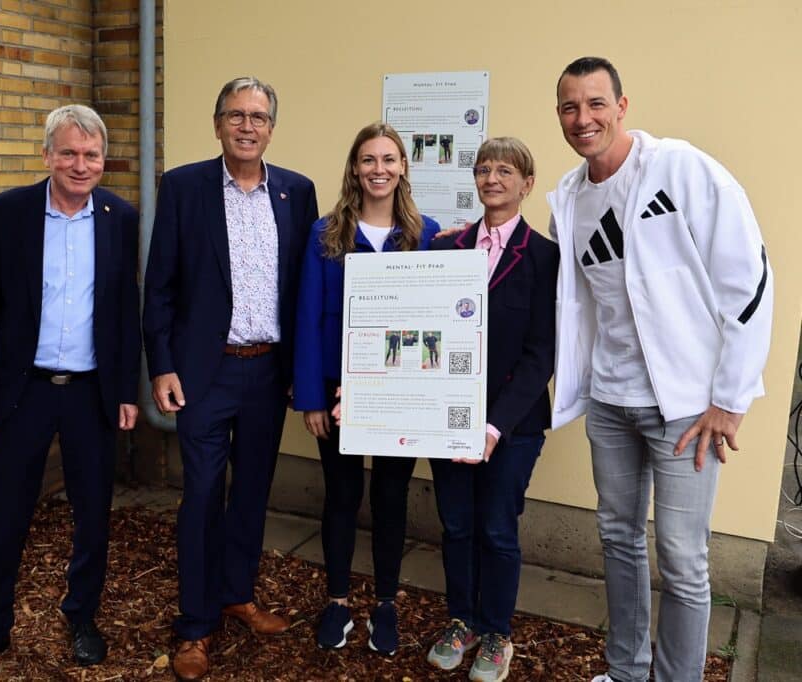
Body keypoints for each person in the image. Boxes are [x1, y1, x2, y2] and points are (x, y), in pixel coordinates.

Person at [550, 57, 773, 682]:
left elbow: (750, 281)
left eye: (596, 103)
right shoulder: (568, 199)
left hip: (687, 411)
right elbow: (569, 295)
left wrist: (729, 400)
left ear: (622, 106)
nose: (583, 118)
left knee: (682, 558)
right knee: (619, 542)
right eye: (569, 107)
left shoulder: (681, 170)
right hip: (610, 402)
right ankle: (627, 671)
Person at [0, 105, 141, 681]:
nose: (79, 164)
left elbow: (122, 310)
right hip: (23, 392)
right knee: (3, 513)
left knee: (92, 513)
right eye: (68, 153)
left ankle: (82, 615)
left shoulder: (120, 217)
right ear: (46, 155)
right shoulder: (7, 213)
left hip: (91, 394)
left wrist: (126, 388)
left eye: (90, 155)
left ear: (103, 161)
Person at [143, 76, 318, 681]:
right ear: (217, 124)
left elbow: (306, 291)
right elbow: (160, 283)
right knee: (201, 494)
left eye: (259, 117)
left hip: (269, 371)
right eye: (236, 115)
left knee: (252, 491)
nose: (248, 126)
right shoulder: (185, 186)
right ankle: (195, 624)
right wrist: (161, 364)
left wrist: (304, 371)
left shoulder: (297, 192)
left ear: (272, 127)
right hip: (204, 373)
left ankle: (237, 594)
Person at [294, 122, 439, 656]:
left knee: (391, 496)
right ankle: (337, 601)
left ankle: (385, 604)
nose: (379, 169)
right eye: (368, 159)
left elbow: (438, 319)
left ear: (403, 167)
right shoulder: (326, 233)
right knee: (342, 494)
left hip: (402, 392)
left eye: (389, 159)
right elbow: (308, 316)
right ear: (355, 168)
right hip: (336, 390)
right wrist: (309, 395)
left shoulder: (427, 234)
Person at [425, 137, 559, 681]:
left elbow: (540, 354)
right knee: (456, 525)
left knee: (498, 529)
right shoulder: (445, 247)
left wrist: (494, 425)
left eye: (506, 170)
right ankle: (461, 620)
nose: (492, 179)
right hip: (447, 416)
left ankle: (496, 631)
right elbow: (426, 335)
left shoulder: (545, 256)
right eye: (483, 169)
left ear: (526, 183)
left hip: (514, 422)